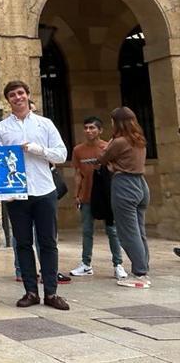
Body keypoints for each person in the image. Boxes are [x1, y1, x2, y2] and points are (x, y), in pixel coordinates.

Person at [0, 81, 69, 310]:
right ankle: (30, 291)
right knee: (23, 243)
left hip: (44, 190)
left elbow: (62, 154)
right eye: (12, 95)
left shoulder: (45, 125)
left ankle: (52, 293)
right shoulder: (1, 129)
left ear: (27, 95)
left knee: (47, 242)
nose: (18, 97)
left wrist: (37, 149)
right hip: (17, 195)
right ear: (8, 100)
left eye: (21, 93)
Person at [97, 107, 151, 288]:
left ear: (117, 122)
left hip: (125, 185)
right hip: (141, 184)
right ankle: (143, 268)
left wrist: (111, 160)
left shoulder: (119, 141)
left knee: (128, 232)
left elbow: (103, 159)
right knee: (139, 230)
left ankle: (139, 274)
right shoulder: (139, 139)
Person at [69, 116, 126, 279]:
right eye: (86, 127)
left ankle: (118, 264)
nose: (89, 131)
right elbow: (78, 174)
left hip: (106, 195)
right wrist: (76, 194)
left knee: (112, 230)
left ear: (100, 130)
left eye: (92, 128)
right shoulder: (78, 150)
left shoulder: (108, 147)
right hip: (87, 195)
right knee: (87, 230)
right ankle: (86, 264)